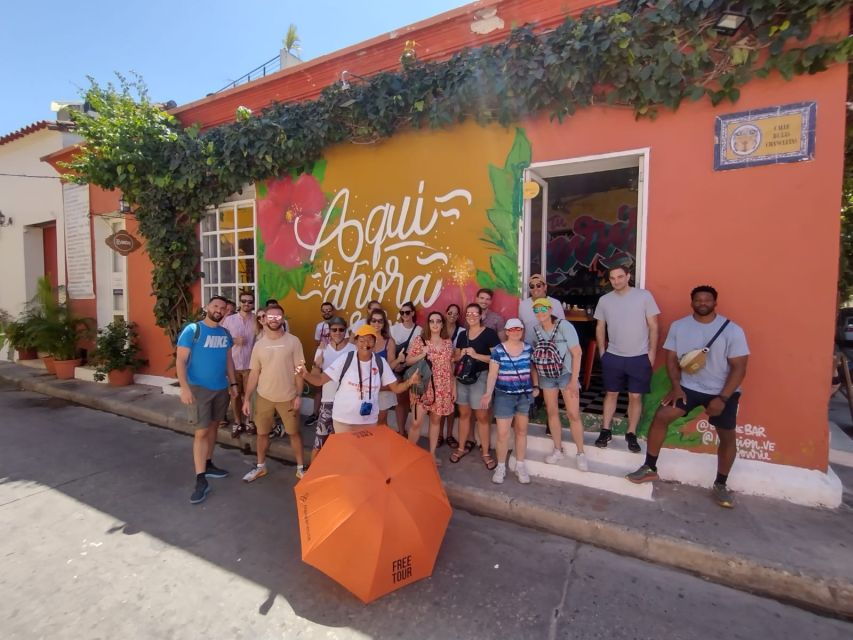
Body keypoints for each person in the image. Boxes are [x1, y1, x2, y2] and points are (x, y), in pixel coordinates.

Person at [626, 286, 749, 509]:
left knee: (727, 436)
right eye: (698, 300)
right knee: (662, 416)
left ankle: (721, 484)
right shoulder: (679, 326)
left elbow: (739, 368)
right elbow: (671, 359)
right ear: (692, 302)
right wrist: (676, 387)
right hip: (689, 387)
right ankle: (650, 467)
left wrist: (722, 398)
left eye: (707, 300)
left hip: (723, 391)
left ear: (715, 303)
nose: (703, 303)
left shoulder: (732, 330)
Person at [176, 295, 238, 505]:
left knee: (213, 428)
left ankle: (208, 463)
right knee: (201, 432)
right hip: (199, 389)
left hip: (220, 389)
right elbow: (180, 361)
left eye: (223, 307)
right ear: (207, 307)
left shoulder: (225, 333)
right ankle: (200, 479)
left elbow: (229, 361)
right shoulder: (193, 330)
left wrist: (234, 384)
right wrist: (184, 388)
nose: (219, 310)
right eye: (215, 306)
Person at [297, 324, 419, 431]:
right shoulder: (346, 359)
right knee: (345, 450)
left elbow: (396, 388)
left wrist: (410, 381)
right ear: (356, 342)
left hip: (368, 421)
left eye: (370, 340)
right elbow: (320, 380)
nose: (366, 344)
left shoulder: (380, 362)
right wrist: (305, 375)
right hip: (343, 420)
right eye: (362, 340)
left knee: (364, 450)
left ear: (375, 343)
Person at [593, 265, 660, 453]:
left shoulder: (644, 296)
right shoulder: (605, 300)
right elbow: (600, 327)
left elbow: (654, 326)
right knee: (611, 393)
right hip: (613, 355)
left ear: (628, 276)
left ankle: (631, 433)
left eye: (620, 277)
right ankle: (605, 430)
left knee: (635, 396)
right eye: (613, 278)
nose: (616, 281)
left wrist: (652, 353)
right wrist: (602, 351)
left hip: (639, 356)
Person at [241, 303, 306, 482]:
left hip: (288, 397)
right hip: (264, 397)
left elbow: (299, 369)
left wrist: (299, 395)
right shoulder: (259, 345)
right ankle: (260, 466)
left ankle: (301, 469)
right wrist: (247, 399)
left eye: (278, 316)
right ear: (264, 319)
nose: (274, 319)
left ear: (283, 319)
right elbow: (254, 373)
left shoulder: (293, 341)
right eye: (271, 316)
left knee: (294, 433)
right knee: (262, 433)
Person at [531, 298, 588, 471]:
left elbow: (577, 353)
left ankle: (581, 453)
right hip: (546, 376)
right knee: (552, 412)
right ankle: (558, 449)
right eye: (536, 310)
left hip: (566, 374)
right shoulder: (536, 330)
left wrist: (574, 380)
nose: (540, 313)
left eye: (543, 309)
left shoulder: (564, 326)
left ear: (550, 310)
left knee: (573, 414)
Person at [481, 318, 539, 484]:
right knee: (503, 434)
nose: (515, 332)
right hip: (504, 396)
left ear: (522, 331)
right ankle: (501, 466)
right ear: (506, 332)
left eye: (518, 329)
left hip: (524, 396)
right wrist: (488, 393)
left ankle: (520, 465)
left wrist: (536, 386)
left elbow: (532, 369)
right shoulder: (498, 350)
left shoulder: (528, 348)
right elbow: (493, 374)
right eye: (512, 329)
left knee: (521, 431)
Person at [449, 303, 501, 470]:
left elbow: (497, 358)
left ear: (481, 316)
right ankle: (461, 448)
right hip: (462, 379)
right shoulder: (462, 334)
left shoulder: (489, 334)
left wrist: (476, 355)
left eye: (474, 313)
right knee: (464, 415)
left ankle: (485, 452)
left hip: (481, 378)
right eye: (468, 313)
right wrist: (460, 354)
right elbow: (456, 357)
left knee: (482, 417)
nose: (471, 316)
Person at [406, 311, 456, 465]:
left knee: (436, 421)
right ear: (428, 324)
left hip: (442, 387)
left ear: (442, 324)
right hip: (423, 386)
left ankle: (432, 454)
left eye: (438, 321)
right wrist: (422, 354)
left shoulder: (447, 342)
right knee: (416, 422)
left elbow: (450, 365)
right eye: (432, 321)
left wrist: (453, 386)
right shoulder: (420, 340)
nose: (435, 324)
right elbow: (408, 361)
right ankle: (408, 454)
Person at [310, 316, 355, 460]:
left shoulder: (353, 350)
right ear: (329, 331)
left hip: (347, 402)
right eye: (334, 330)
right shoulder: (322, 350)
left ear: (346, 331)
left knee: (344, 444)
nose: (337, 333)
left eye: (341, 330)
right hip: (328, 401)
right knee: (319, 442)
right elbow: (314, 377)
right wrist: (317, 365)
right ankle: (313, 472)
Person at [221, 291, 257, 437]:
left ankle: (249, 421)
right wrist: (234, 340)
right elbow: (222, 339)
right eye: (244, 301)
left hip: (251, 366)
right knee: (235, 395)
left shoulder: (257, 320)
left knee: (249, 396)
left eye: (250, 301)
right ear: (240, 302)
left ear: (253, 304)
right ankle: (237, 422)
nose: (246, 304)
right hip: (233, 365)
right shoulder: (229, 320)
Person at [390, 302, 422, 435]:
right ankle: (401, 431)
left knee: (413, 401)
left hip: (412, 368)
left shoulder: (419, 330)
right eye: (402, 312)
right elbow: (391, 350)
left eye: (407, 312)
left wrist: (404, 364)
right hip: (397, 367)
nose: (404, 315)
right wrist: (397, 364)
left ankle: (413, 432)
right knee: (400, 400)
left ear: (413, 313)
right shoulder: (393, 329)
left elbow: (420, 352)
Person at [306, 301, 339, 428]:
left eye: (329, 310)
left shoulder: (338, 325)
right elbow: (317, 342)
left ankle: (334, 417)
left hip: (335, 359)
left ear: (333, 311)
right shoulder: (319, 326)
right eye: (324, 310)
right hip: (321, 357)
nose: (326, 312)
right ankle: (315, 413)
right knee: (318, 386)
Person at [368, 308, 401, 425]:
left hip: (382, 385)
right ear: (369, 322)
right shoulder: (363, 339)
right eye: (374, 320)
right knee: (367, 421)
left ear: (384, 323)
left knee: (380, 420)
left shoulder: (389, 341)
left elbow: (390, 366)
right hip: (366, 385)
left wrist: (398, 360)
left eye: (380, 321)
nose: (376, 323)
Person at [440, 303, 465, 449]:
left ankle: (449, 435)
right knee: (438, 405)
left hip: (454, 371)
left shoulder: (461, 331)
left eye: (455, 314)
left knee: (450, 404)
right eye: (450, 313)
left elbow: (460, 353)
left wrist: (453, 357)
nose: (452, 316)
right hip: (438, 371)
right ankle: (439, 435)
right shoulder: (439, 327)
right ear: (446, 313)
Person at [519, 274, 565, 345]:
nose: (535, 288)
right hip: (529, 347)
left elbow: (562, 327)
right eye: (532, 286)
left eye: (538, 285)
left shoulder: (556, 303)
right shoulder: (523, 305)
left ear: (545, 287)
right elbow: (521, 327)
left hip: (551, 347)